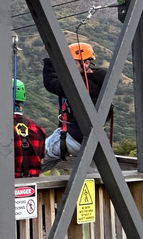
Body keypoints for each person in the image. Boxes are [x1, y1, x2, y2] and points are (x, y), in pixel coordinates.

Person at [40, 42, 110, 170]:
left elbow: (50, 82)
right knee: (48, 162)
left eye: (73, 63)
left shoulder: (76, 84)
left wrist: (51, 59)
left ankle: (16, 182)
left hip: (72, 137)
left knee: (35, 155)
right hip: (94, 141)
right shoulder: (100, 80)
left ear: (85, 63)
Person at [13, 78, 47, 178]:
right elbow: (41, 160)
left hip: (6, 187)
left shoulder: (0, 129)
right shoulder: (38, 129)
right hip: (32, 186)